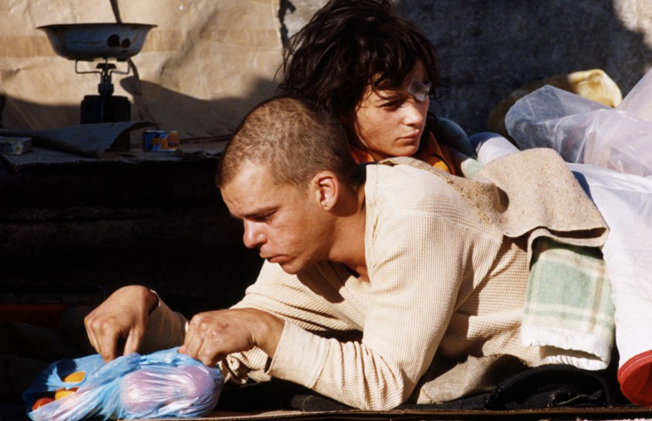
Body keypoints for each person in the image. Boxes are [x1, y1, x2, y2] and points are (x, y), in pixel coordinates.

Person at [83, 96, 608, 410]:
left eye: (263, 216)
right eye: (242, 221)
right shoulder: (305, 256)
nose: (249, 239)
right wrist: (145, 309)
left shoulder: (411, 216)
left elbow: (383, 385)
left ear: (325, 191)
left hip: (551, 374)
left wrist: (268, 331)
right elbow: (232, 339)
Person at [276, 0, 477, 176]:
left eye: (421, 95)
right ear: (341, 108)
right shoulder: (325, 184)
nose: (415, 118)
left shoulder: (455, 156)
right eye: (391, 103)